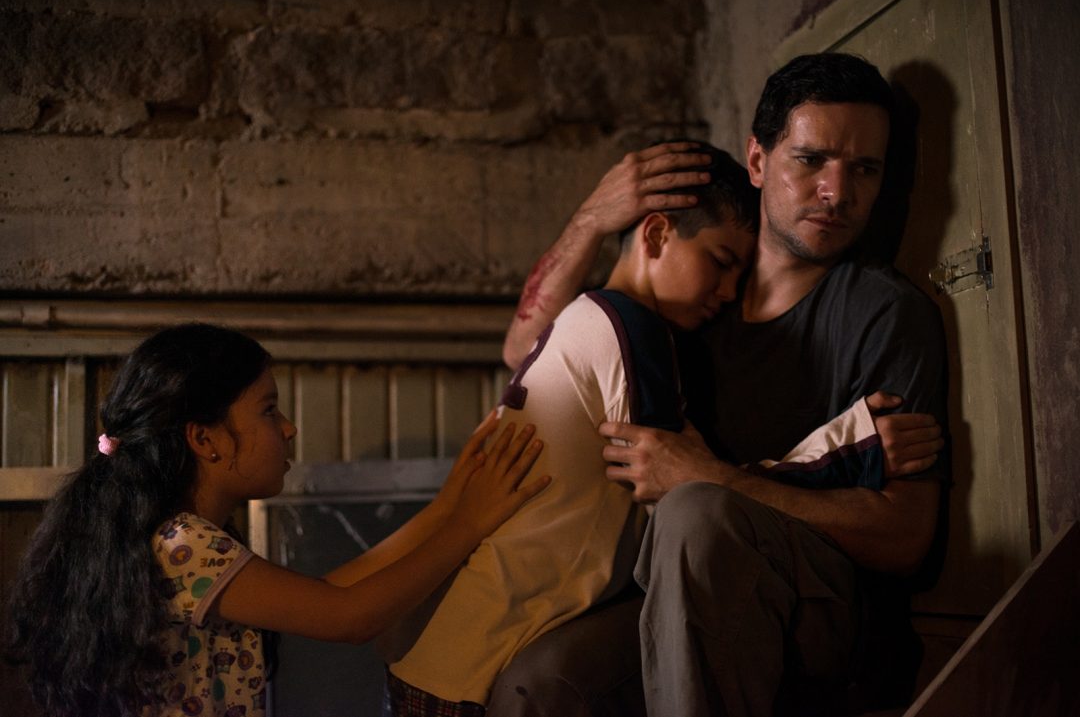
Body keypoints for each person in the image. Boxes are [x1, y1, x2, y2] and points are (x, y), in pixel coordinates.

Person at [380, 144, 941, 716]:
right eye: (720, 261)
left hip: (441, 655)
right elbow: (684, 486)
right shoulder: (633, 332)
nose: (728, 292)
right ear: (654, 235)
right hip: (470, 669)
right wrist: (850, 445)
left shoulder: (582, 317)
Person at [496, 53, 948, 717]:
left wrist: (709, 478)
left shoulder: (887, 314)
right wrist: (591, 219)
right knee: (536, 684)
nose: (836, 191)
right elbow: (523, 350)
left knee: (696, 513)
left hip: (822, 608)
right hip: (674, 582)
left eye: (864, 169)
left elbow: (905, 537)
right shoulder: (694, 292)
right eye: (811, 160)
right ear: (758, 161)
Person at [3, 323, 549, 717]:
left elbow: (331, 593)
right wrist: (467, 526)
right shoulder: (184, 545)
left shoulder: (183, 539)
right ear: (205, 439)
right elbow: (349, 616)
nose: (288, 428)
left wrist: (448, 506)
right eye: (268, 409)